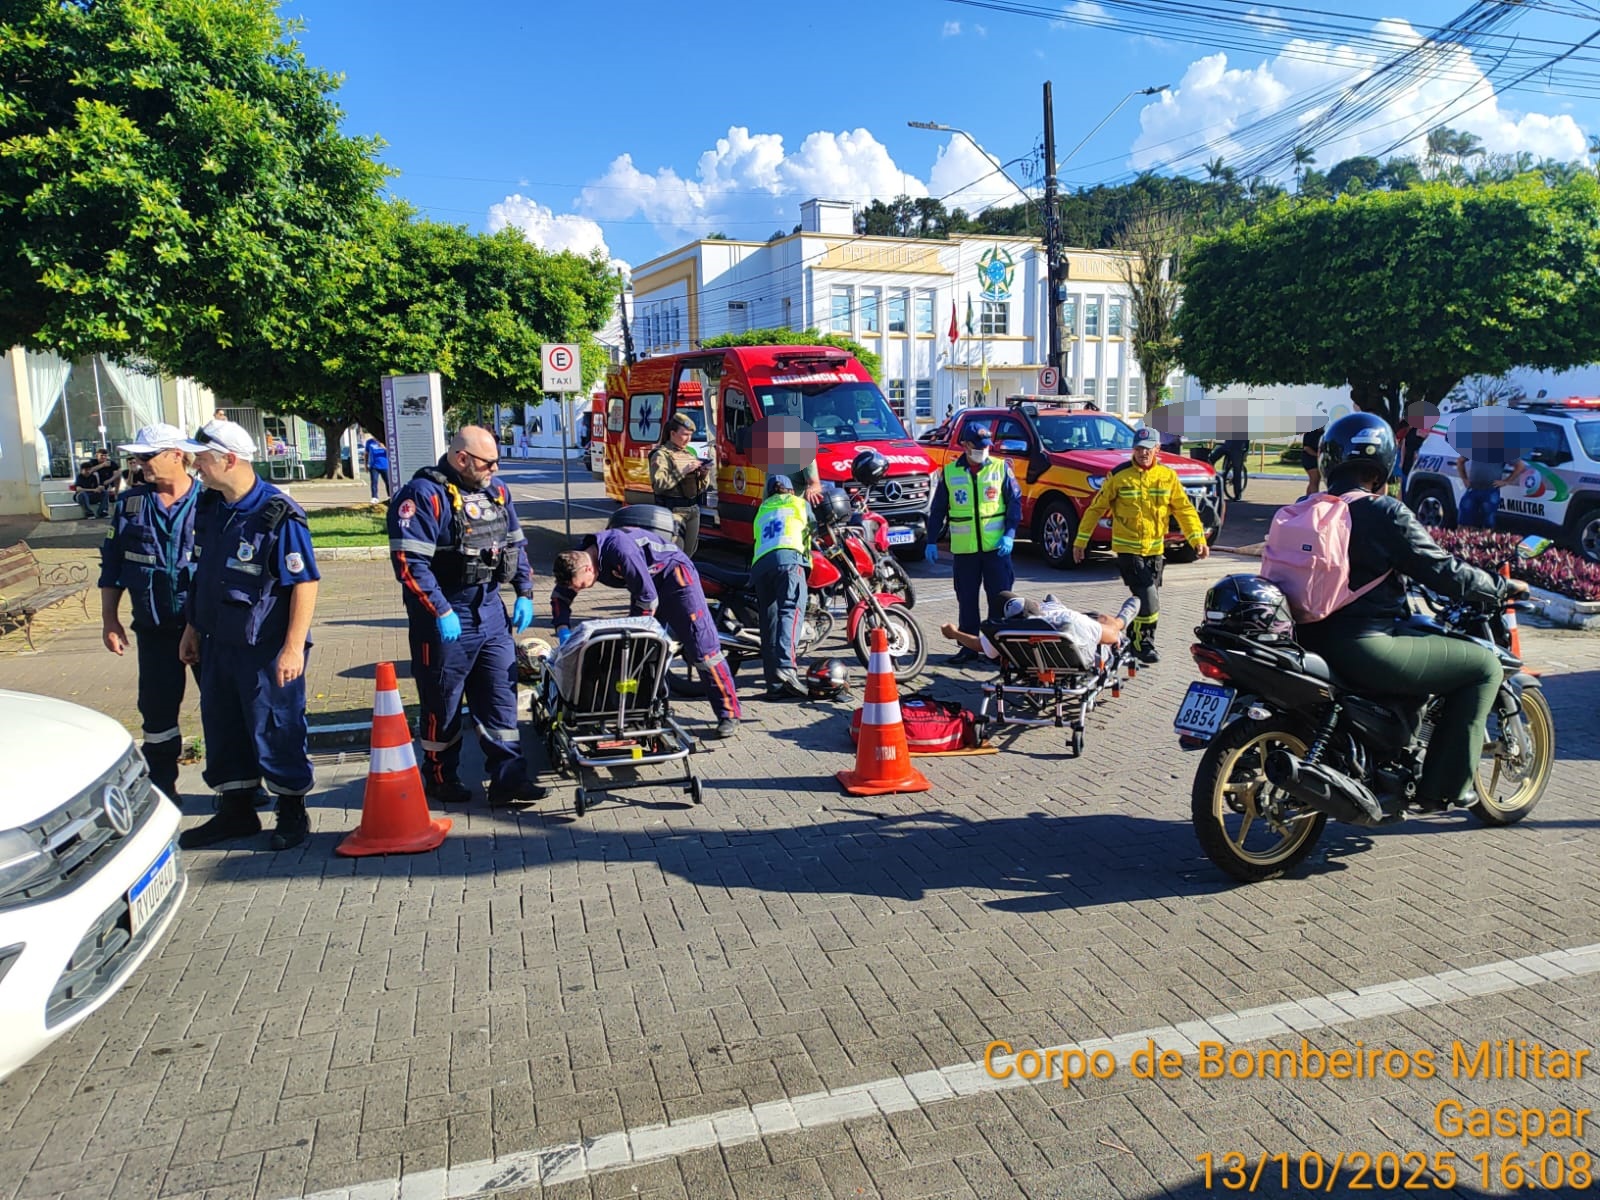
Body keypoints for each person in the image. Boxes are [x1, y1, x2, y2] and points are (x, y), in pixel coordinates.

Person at [1295, 412, 1527, 811]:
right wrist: (1499, 587)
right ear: (1384, 463)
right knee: (1484, 667)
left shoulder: (1307, 507)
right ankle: (1443, 786)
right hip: (1366, 646)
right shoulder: (1385, 512)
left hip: (1307, 639)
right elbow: (1441, 570)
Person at [173, 419, 319, 850]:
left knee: (276, 728)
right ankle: (236, 812)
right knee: (223, 726)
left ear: (229, 459)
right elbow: (202, 574)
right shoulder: (211, 506)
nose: (195, 465)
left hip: (265, 649)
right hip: (218, 642)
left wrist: (293, 647)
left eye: (201, 458)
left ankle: (291, 811)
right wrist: (192, 629)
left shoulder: (278, 512)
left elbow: (304, 583)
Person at [388, 426, 545, 805]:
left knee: (499, 696)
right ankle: (441, 777)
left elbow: (515, 545)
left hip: (490, 610)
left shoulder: (497, 491)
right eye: (488, 462)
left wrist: (524, 591)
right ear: (462, 459)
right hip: (445, 613)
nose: (495, 468)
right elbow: (410, 562)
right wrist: (440, 609)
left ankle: (509, 778)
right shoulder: (423, 496)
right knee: (442, 702)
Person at [551, 525, 743, 735]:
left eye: (580, 585)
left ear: (588, 569)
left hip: (676, 579)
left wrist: (637, 636)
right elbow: (560, 596)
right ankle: (637, 711)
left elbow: (648, 600)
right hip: (646, 586)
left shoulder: (620, 550)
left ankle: (729, 714)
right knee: (637, 657)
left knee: (703, 650)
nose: (578, 589)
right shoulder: (579, 556)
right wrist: (562, 629)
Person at [98, 424, 201, 800]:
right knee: (157, 713)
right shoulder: (131, 504)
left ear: (177, 455)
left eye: (148, 456)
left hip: (206, 627)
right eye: (137, 458)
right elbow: (112, 567)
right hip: (155, 627)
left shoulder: (209, 500)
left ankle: (239, 785)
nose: (141, 465)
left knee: (224, 707)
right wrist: (110, 620)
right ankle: (163, 786)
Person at [1073, 427, 1209, 664]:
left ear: (1157, 449)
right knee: (1148, 599)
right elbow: (1095, 509)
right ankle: (1143, 644)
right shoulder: (1119, 476)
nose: (1143, 453)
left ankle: (1130, 637)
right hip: (1128, 550)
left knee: (1145, 599)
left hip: (1155, 550)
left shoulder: (1167, 476)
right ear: (1133, 450)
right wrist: (1080, 542)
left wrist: (1197, 539)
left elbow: (1184, 510)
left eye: (1148, 449)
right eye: (1138, 449)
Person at [925, 425, 1022, 665]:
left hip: (996, 549)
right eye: (978, 446)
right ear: (966, 446)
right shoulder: (950, 473)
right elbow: (938, 511)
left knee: (999, 599)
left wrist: (1009, 534)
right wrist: (930, 541)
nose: (984, 450)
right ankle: (968, 647)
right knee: (967, 599)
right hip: (965, 551)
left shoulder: (1001, 468)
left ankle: (998, 650)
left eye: (987, 446)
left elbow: (1014, 505)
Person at [749, 475, 815, 700]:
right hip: (789, 560)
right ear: (791, 490)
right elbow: (815, 527)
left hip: (761, 567)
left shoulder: (763, 509)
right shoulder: (799, 503)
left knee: (770, 625)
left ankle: (774, 685)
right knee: (791, 610)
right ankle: (787, 667)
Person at [939, 591, 1137, 664]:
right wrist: (1117, 629)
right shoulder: (1067, 621)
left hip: (1028, 659)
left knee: (1058, 604)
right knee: (1105, 622)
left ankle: (1055, 602)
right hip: (1074, 650)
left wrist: (954, 633)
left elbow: (977, 645)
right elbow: (1111, 637)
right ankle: (1124, 617)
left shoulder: (1005, 632)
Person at [648, 413, 709, 556]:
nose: (688, 439)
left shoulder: (688, 454)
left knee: (689, 554)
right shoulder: (661, 455)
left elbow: (700, 488)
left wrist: (703, 474)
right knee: (675, 553)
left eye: (690, 435)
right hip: (674, 511)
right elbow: (659, 485)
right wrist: (683, 471)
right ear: (673, 433)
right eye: (685, 434)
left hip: (693, 510)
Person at [1454, 451, 1526, 530]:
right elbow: (1460, 461)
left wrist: (1506, 481)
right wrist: (1464, 479)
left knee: (1488, 523)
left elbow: (1520, 466)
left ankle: (1484, 541)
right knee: (1464, 521)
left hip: (1490, 491)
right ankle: (1464, 540)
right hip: (1472, 490)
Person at [364, 435, 391, 500]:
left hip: (385, 466)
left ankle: (390, 496)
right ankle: (374, 497)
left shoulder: (385, 441)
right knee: (374, 482)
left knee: (388, 481)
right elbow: (366, 454)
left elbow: (392, 452)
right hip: (373, 466)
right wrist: (366, 465)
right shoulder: (369, 442)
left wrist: (384, 448)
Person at [1302, 425, 1324, 495]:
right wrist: (1318, 455)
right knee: (1314, 480)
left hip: (1316, 460)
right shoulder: (1310, 433)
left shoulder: (1323, 433)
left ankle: (1307, 499)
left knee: (1314, 481)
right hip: (1310, 459)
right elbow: (1306, 448)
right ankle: (1314, 499)